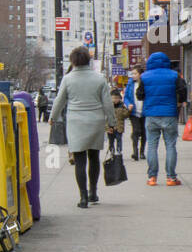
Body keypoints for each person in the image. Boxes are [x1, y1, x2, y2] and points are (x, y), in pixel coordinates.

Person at [51, 46, 115, 207]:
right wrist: (112, 122)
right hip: (96, 121)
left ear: (73, 61)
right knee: (94, 158)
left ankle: (83, 197)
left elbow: (59, 100)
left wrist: (53, 117)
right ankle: (93, 192)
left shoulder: (68, 79)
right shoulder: (99, 78)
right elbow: (108, 103)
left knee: (79, 161)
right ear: (88, 60)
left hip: (75, 122)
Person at [137, 51, 188, 186]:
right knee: (170, 145)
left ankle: (152, 177)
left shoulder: (144, 77)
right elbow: (183, 91)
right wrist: (179, 102)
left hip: (151, 115)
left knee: (152, 146)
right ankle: (171, 177)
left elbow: (139, 95)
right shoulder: (174, 75)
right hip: (169, 114)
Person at [123, 63, 147, 160]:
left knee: (144, 132)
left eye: (135, 73)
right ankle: (135, 152)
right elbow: (126, 97)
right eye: (132, 74)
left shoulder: (145, 83)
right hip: (133, 112)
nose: (133, 75)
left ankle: (142, 152)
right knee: (136, 131)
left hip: (144, 111)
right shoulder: (130, 84)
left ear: (140, 74)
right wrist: (128, 104)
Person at [108, 87, 130, 156]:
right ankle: (112, 150)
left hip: (119, 127)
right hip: (110, 127)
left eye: (117, 98)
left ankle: (119, 150)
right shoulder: (108, 107)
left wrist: (129, 110)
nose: (115, 100)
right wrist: (107, 127)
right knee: (111, 140)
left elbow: (125, 115)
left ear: (120, 98)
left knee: (119, 139)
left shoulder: (122, 106)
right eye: (113, 98)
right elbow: (106, 118)